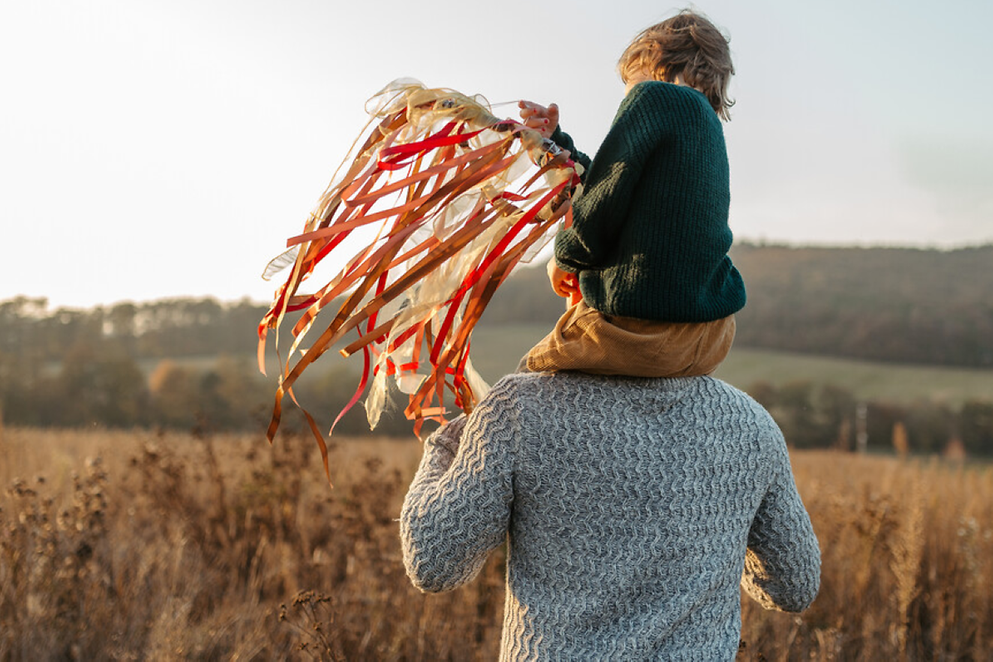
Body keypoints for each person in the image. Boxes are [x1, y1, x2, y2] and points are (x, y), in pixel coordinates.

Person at [400, 369, 821, 660]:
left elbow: (433, 561)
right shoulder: (749, 423)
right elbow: (794, 587)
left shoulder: (517, 408)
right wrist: (719, 528)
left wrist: (443, 451)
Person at [517, 10, 745, 378]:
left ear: (656, 60)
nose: (628, 95)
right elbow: (610, 181)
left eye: (630, 84)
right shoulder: (705, 126)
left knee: (522, 383)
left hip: (644, 329)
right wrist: (553, 145)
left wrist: (566, 256)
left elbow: (600, 210)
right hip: (711, 331)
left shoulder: (653, 97)